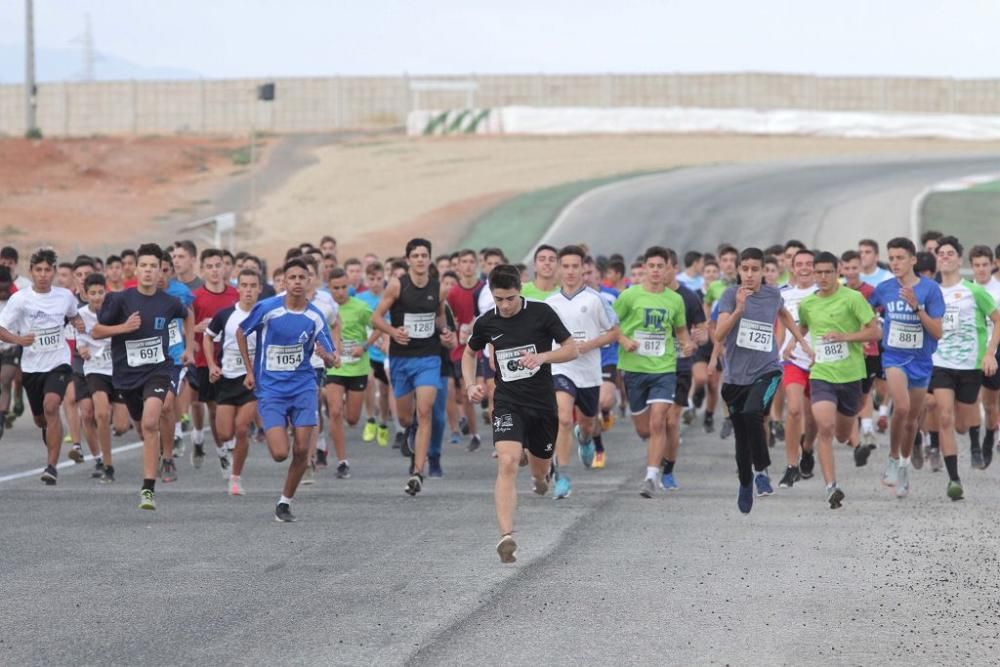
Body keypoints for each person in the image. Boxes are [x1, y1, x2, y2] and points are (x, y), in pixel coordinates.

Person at [462, 264, 577, 563]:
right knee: (508, 462)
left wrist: (542, 357)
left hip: (542, 406)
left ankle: (541, 473)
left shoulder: (542, 314)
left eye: (509, 298)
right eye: (498, 299)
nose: (504, 305)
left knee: (538, 474)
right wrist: (470, 384)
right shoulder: (487, 323)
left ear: (520, 290)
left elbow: (571, 349)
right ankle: (506, 536)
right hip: (507, 403)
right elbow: (468, 352)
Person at [93, 243, 195, 510]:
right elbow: (96, 331)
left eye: (155, 267)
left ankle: (148, 489)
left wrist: (190, 348)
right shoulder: (120, 300)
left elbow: (189, 316)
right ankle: (158, 454)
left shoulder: (169, 301)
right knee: (141, 426)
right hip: (127, 376)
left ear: (161, 271)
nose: (150, 271)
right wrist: (123, 327)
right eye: (145, 266)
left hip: (158, 371)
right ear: (136, 269)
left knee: (151, 421)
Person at [238, 258, 337, 522]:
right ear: (283, 281)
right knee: (280, 453)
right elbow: (240, 332)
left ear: (309, 281)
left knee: (303, 449)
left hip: (304, 386)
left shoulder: (315, 315)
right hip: (271, 389)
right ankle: (278, 427)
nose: (296, 282)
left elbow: (332, 356)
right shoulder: (268, 309)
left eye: (301, 278)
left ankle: (284, 503)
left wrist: (328, 357)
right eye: (291, 278)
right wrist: (249, 370)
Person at [714, 247, 811, 514]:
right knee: (741, 437)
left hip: (767, 369)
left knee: (753, 413)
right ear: (738, 271)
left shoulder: (772, 294)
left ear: (762, 271)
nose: (749, 274)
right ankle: (746, 482)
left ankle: (762, 469)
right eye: (744, 269)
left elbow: (785, 315)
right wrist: (738, 310)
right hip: (735, 379)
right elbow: (719, 334)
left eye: (754, 269)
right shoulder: (728, 296)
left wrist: (802, 342)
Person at [797, 252, 880, 507]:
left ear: (837, 272)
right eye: (817, 272)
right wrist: (793, 346)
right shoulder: (808, 304)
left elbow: (875, 331)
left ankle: (821, 449)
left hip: (851, 375)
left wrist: (844, 337)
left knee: (843, 435)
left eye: (827, 272)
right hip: (821, 374)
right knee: (824, 427)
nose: (821, 277)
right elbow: (802, 329)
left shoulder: (852, 299)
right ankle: (831, 487)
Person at [372, 238, 453, 496]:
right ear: (408, 260)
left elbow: (439, 315)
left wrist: (445, 331)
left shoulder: (438, 288)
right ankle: (411, 430)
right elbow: (376, 318)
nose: (420, 259)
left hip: (429, 356)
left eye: (424, 255)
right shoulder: (397, 285)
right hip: (401, 359)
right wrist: (393, 332)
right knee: (407, 417)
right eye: (415, 255)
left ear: (429, 259)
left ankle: (418, 471)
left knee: (426, 410)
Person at [613, 246, 695, 498]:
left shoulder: (675, 299)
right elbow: (611, 325)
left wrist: (687, 342)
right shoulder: (630, 296)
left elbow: (680, 329)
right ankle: (654, 456)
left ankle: (651, 476)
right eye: (652, 266)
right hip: (634, 368)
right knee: (644, 430)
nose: (656, 271)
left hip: (664, 368)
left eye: (661, 266)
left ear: (667, 269)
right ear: (645, 268)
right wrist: (624, 340)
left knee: (659, 420)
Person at [868, 237, 946, 499]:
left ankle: (903, 465)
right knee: (900, 407)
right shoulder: (885, 288)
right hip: (893, 358)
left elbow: (937, 332)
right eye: (891, 258)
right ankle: (891, 459)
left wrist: (917, 307)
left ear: (913, 259)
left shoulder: (931, 290)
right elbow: (866, 311)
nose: (895, 263)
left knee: (912, 420)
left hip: (921, 362)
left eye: (900, 257)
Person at [0, 248, 85, 484]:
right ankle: (53, 433)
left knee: (52, 405)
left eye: (48, 270)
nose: (43, 274)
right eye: (39, 270)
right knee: (41, 419)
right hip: (31, 367)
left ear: (54, 272)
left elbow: (73, 315)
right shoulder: (21, 299)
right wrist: (18, 340)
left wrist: (78, 323)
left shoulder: (65, 296)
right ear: (31, 272)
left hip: (58, 363)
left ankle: (51, 467)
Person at [544, 246, 619, 498]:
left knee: (588, 423)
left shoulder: (595, 299)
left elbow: (613, 331)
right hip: (562, 368)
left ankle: (585, 438)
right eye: (565, 266)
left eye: (575, 266)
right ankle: (562, 475)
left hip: (589, 371)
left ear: (582, 269)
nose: (570, 271)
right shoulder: (550, 303)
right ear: (559, 269)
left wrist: (589, 344)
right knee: (564, 418)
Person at [927, 237, 999, 496]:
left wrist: (990, 353)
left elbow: (998, 320)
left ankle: (976, 441)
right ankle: (954, 479)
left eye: (950, 253)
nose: (944, 257)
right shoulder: (931, 290)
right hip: (940, 363)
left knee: (962, 423)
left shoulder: (974, 291)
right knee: (944, 416)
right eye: (940, 253)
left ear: (959, 260)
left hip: (970, 364)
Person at [205, 267, 262, 496]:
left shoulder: (264, 314)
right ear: (238, 289)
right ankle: (228, 453)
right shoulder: (225, 315)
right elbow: (208, 337)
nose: (248, 291)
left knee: (241, 429)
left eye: (253, 286)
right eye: (244, 286)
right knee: (225, 433)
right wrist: (212, 365)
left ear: (259, 289)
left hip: (252, 381)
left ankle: (235, 478)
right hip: (227, 379)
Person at [324, 267, 377, 479]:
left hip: (357, 368)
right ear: (329, 288)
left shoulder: (361, 307)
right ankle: (342, 460)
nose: (340, 292)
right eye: (335, 288)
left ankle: (344, 411)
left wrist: (364, 347)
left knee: (353, 419)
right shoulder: (325, 309)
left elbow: (380, 327)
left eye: (344, 287)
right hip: (335, 367)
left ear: (350, 287)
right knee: (335, 411)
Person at [776, 249, 818, 489]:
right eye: (799, 264)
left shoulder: (824, 293)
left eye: (809, 263)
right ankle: (791, 466)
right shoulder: (781, 294)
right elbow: (777, 326)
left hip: (819, 362)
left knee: (813, 420)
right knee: (793, 410)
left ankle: (808, 448)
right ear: (791, 267)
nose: (804, 268)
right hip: (792, 360)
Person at [76, 273, 118, 483]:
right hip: (96, 369)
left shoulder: (115, 311)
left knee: (120, 425)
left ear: (106, 292)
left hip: (118, 369)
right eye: (92, 293)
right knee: (101, 414)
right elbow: (79, 340)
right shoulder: (80, 315)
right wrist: (82, 349)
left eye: (100, 292)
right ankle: (107, 465)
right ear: (85, 294)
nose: (97, 297)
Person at [446, 249, 484, 452]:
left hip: (483, 347)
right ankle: (474, 433)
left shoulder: (484, 289)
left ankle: (488, 410)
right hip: (461, 349)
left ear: (476, 264)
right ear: (458, 266)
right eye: (464, 262)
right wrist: (453, 330)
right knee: (467, 391)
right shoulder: (453, 293)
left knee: (484, 388)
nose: (468, 265)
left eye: (471, 261)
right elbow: (449, 319)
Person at [969, 245, 1000, 466]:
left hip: (995, 350)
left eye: (985, 265)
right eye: (977, 265)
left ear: (993, 265)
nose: (981, 270)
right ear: (971, 267)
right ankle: (974, 446)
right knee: (969, 401)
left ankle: (989, 437)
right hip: (970, 352)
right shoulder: (965, 290)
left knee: (990, 405)